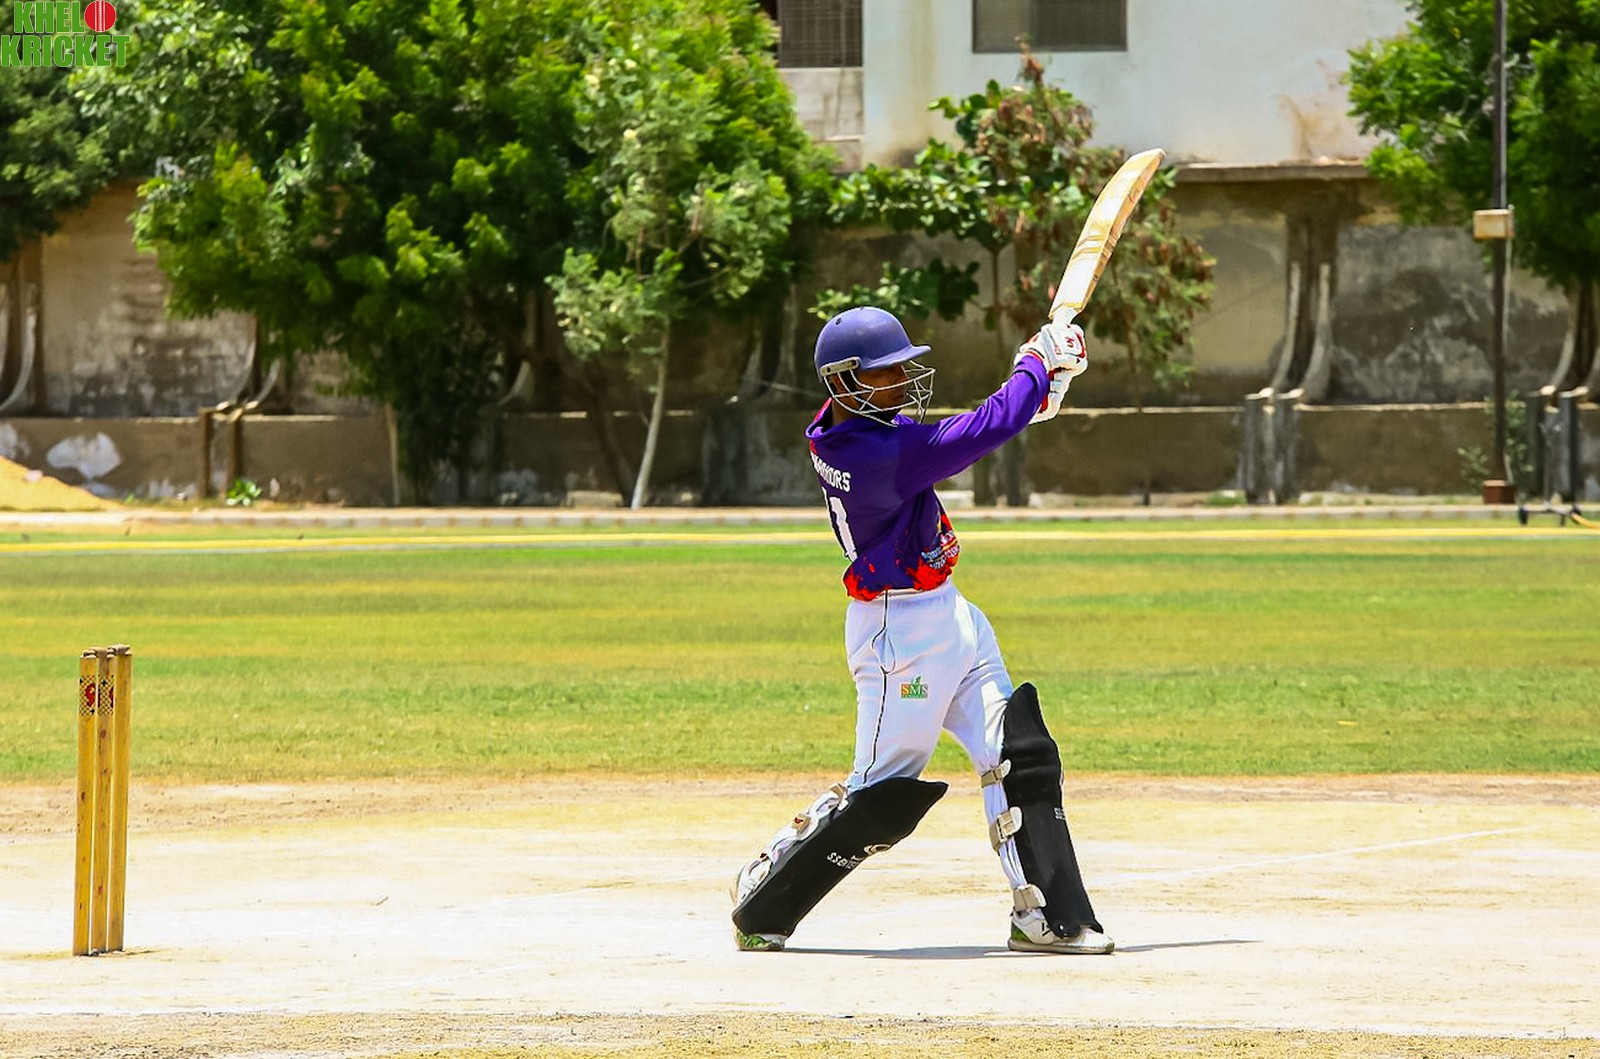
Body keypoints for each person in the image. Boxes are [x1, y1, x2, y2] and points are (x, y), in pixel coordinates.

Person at [730, 305, 1112, 955]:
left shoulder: (857, 428)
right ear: (843, 382)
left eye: (902, 366)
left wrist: (1043, 381)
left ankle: (1044, 917)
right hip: (898, 636)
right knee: (879, 797)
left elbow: (986, 426)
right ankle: (764, 898)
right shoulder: (876, 454)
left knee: (1019, 751)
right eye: (885, 372)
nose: (902, 379)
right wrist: (1033, 365)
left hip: (949, 614)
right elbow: (983, 427)